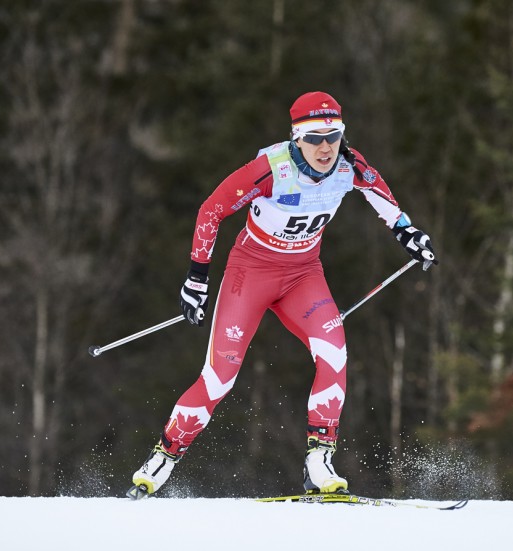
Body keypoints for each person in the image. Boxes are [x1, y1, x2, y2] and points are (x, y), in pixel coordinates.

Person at [129, 91, 436, 498]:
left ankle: (318, 461)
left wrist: (408, 234)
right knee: (220, 377)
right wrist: (197, 278)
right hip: (250, 273)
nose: (324, 147)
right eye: (313, 138)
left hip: (303, 276)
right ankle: (164, 457)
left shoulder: (350, 165)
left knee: (334, 354)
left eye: (333, 135)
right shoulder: (270, 170)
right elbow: (211, 210)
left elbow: (385, 202)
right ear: (296, 138)